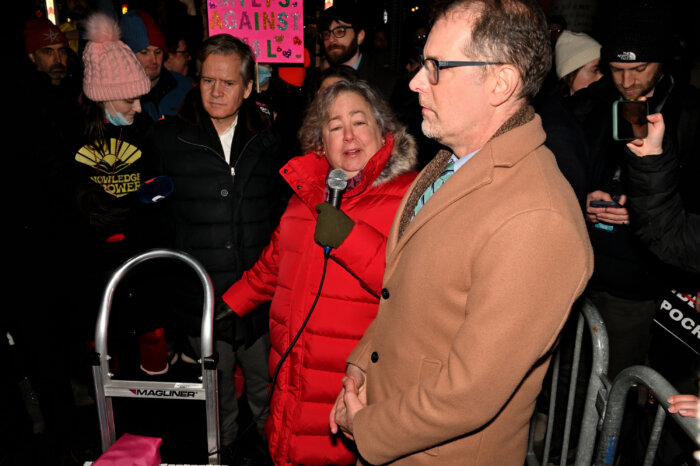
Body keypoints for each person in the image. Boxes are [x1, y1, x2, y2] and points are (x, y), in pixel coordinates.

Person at [329, 1, 593, 464]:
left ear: (500, 82)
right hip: (391, 420)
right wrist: (360, 368)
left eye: (436, 67)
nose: (415, 80)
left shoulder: (538, 218)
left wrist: (368, 426)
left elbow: (469, 393)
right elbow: (404, 300)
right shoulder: (453, 161)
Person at [220, 80, 417, 465]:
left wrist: (349, 238)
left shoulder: (409, 198)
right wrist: (228, 306)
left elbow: (411, 289)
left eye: (359, 122)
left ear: (382, 130)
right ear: (319, 142)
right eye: (334, 125)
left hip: (348, 395)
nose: (348, 136)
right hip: (290, 383)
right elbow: (272, 266)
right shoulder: (305, 195)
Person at [147, 34, 284, 459]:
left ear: (248, 87)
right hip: (202, 299)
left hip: (260, 297)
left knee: (268, 391)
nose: (217, 91)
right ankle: (219, 455)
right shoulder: (168, 140)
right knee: (216, 395)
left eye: (228, 83)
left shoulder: (271, 139)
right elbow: (155, 222)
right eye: (208, 81)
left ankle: (274, 453)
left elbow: (283, 217)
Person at [120, 10, 192, 121]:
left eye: (158, 52)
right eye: (144, 52)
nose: (154, 60)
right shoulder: (117, 95)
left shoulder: (183, 87)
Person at [317, 5, 398, 101]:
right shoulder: (316, 83)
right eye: (326, 34)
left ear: (359, 36)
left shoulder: (387, 83)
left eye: (340, 31)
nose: (331, 39)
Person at [555, 30, 603, 96]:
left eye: (603, 70)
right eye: (595, 70)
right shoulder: (553, 105)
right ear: (568, 76)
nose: (601, 77)